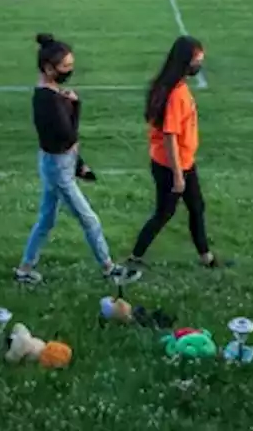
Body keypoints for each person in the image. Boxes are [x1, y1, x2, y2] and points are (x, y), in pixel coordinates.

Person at [15, 33, 142, 285]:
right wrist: (76, 106)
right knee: (89, 219)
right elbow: (69, 135)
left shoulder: (48, 95)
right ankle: (109, 268)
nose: (70, 71)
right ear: (49, 68)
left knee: (46, 219)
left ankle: (24, 269)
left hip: (54, 163)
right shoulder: (49, 101)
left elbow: (64, 141)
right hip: (58, 169)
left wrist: (79, 163)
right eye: (65, 67)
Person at [127, 35, 223, 268]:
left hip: (182, 161)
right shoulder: (176, 94)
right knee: (164, 213)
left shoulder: (169, 86)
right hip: (173, 165)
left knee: (196, 207)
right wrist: (178, 175)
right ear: (185, 61)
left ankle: (206, 257)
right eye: (198, 60)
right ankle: (135, 256)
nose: (200, 64)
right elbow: (170, 136)